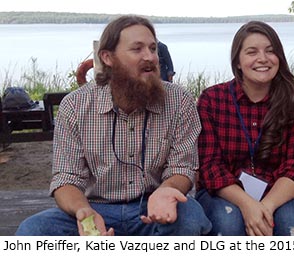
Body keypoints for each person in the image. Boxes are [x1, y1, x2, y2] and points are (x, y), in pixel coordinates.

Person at [15, 15, 211, 236]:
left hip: (154, 206)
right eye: (137, 49)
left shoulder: (179, 100)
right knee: (32, 230)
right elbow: (66, 179)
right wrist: (83, 212)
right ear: (108, 57)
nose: (151, 57)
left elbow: (182, 168)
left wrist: (166, 192)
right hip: (96, 207)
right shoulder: (75, 105)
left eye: (153, 48)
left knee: (191, 217)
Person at [195, 21, 294, 236]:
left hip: (280, 192)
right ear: (237, 61)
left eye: (270, 51)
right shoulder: (212, 99)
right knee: (228, 224)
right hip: (224, 193)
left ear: (279, 58)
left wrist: (265, 207)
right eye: (252, 52)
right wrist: (248, 204)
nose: (262, 59)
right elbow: (210, 165)